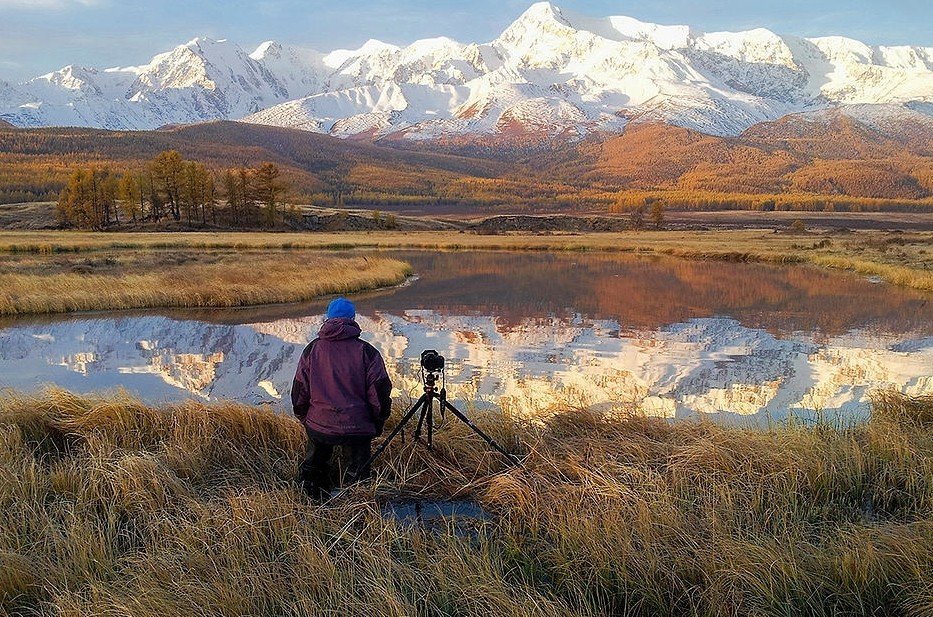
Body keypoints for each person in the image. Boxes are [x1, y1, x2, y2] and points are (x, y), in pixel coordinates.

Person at [291, 297, 392, 499]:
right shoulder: (367, 352)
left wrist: (306, 419)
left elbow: (299, 391)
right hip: (358, 428)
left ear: (327, 319)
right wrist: (376, 423)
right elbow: (379, 394)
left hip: (319, 425)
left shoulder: (312, 350)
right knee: (359, 476)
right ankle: (357, 504)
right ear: (353, 319)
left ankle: (311, 499)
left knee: (313, 466)